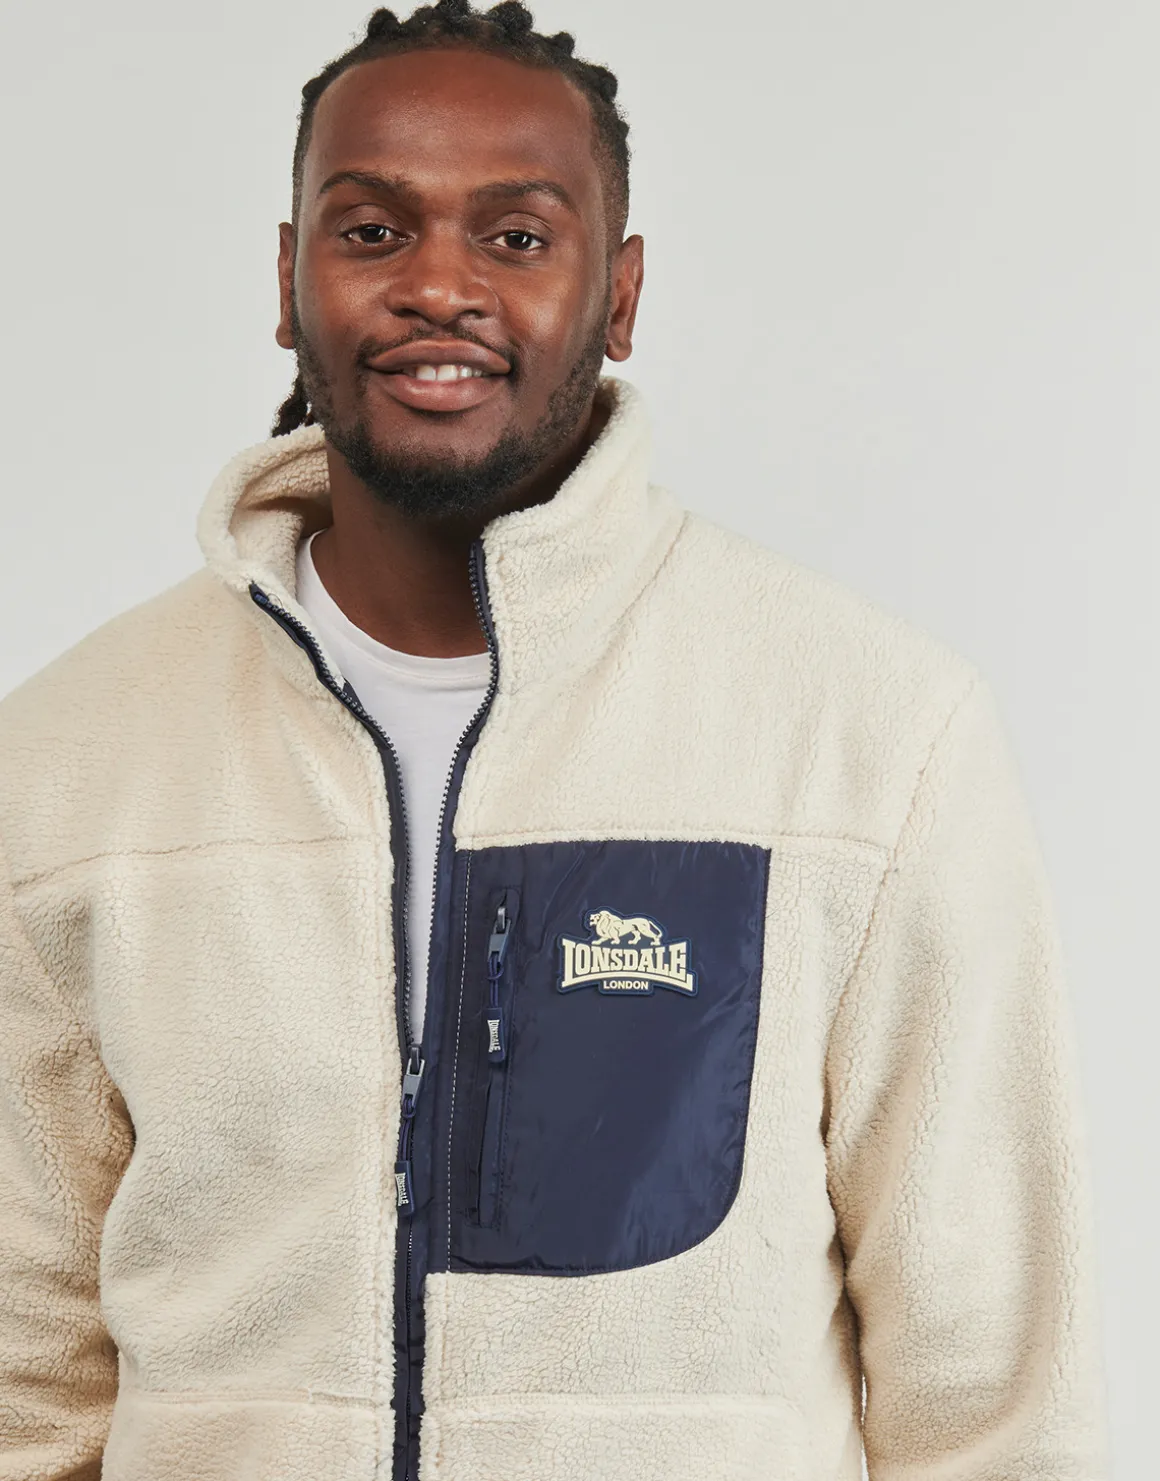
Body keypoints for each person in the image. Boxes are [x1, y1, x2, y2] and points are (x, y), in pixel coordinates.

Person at [0, 2, 1109, 1479]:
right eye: (372, 231)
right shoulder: (69, 763)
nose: (437, 286)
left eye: (516, 237)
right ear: (288, 280)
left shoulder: (870, 737)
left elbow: (996, 1393)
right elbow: (26, 1382)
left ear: (620, 294)